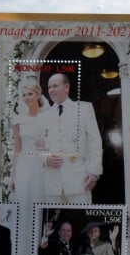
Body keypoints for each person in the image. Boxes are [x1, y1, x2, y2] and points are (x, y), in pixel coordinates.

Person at [42, 73, 102, 203]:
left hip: (79, 181)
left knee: (80, 220)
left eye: (55, 86)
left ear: (66, 87)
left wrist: (94, 172)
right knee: (55, 221)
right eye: (49, 87)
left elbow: (94, 142)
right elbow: (38, 145)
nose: (51, 90)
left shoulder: (84, 109)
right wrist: (44, 158)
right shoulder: (44, 115)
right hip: (52, 184)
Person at [10, 83, 49, 255]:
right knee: (24, 207)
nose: (26, 97)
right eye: (24, 94)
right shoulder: (18, 119)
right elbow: (16, 149)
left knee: (39, 206)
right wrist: (13, 175)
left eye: (30, 93)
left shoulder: (48, 116)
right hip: (25, 166)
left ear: (38, 94)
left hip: (42, 166)